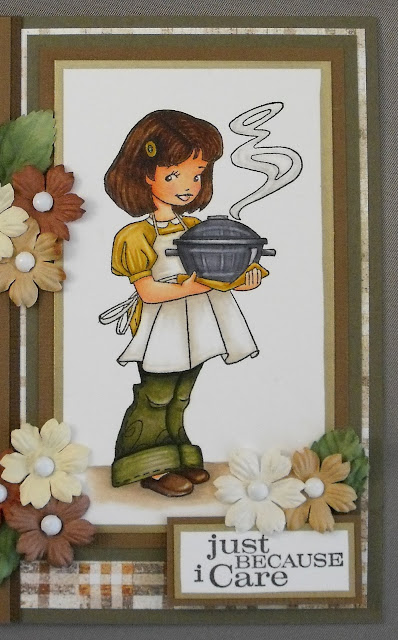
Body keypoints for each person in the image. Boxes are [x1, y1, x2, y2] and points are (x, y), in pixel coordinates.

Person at [101, 110, 262, 498]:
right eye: (174, 175)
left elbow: (219, 272)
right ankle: (146, 463)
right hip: (162, 328)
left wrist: (244, 276)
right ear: (146, 174)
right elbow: (147, 291)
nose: (188, 187)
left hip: (197, 326)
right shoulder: (135, 235)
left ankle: (176, 455)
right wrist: (190, 287)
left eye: (197, 175)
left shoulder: (196, 228)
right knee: (156, 394)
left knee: (181, 394)